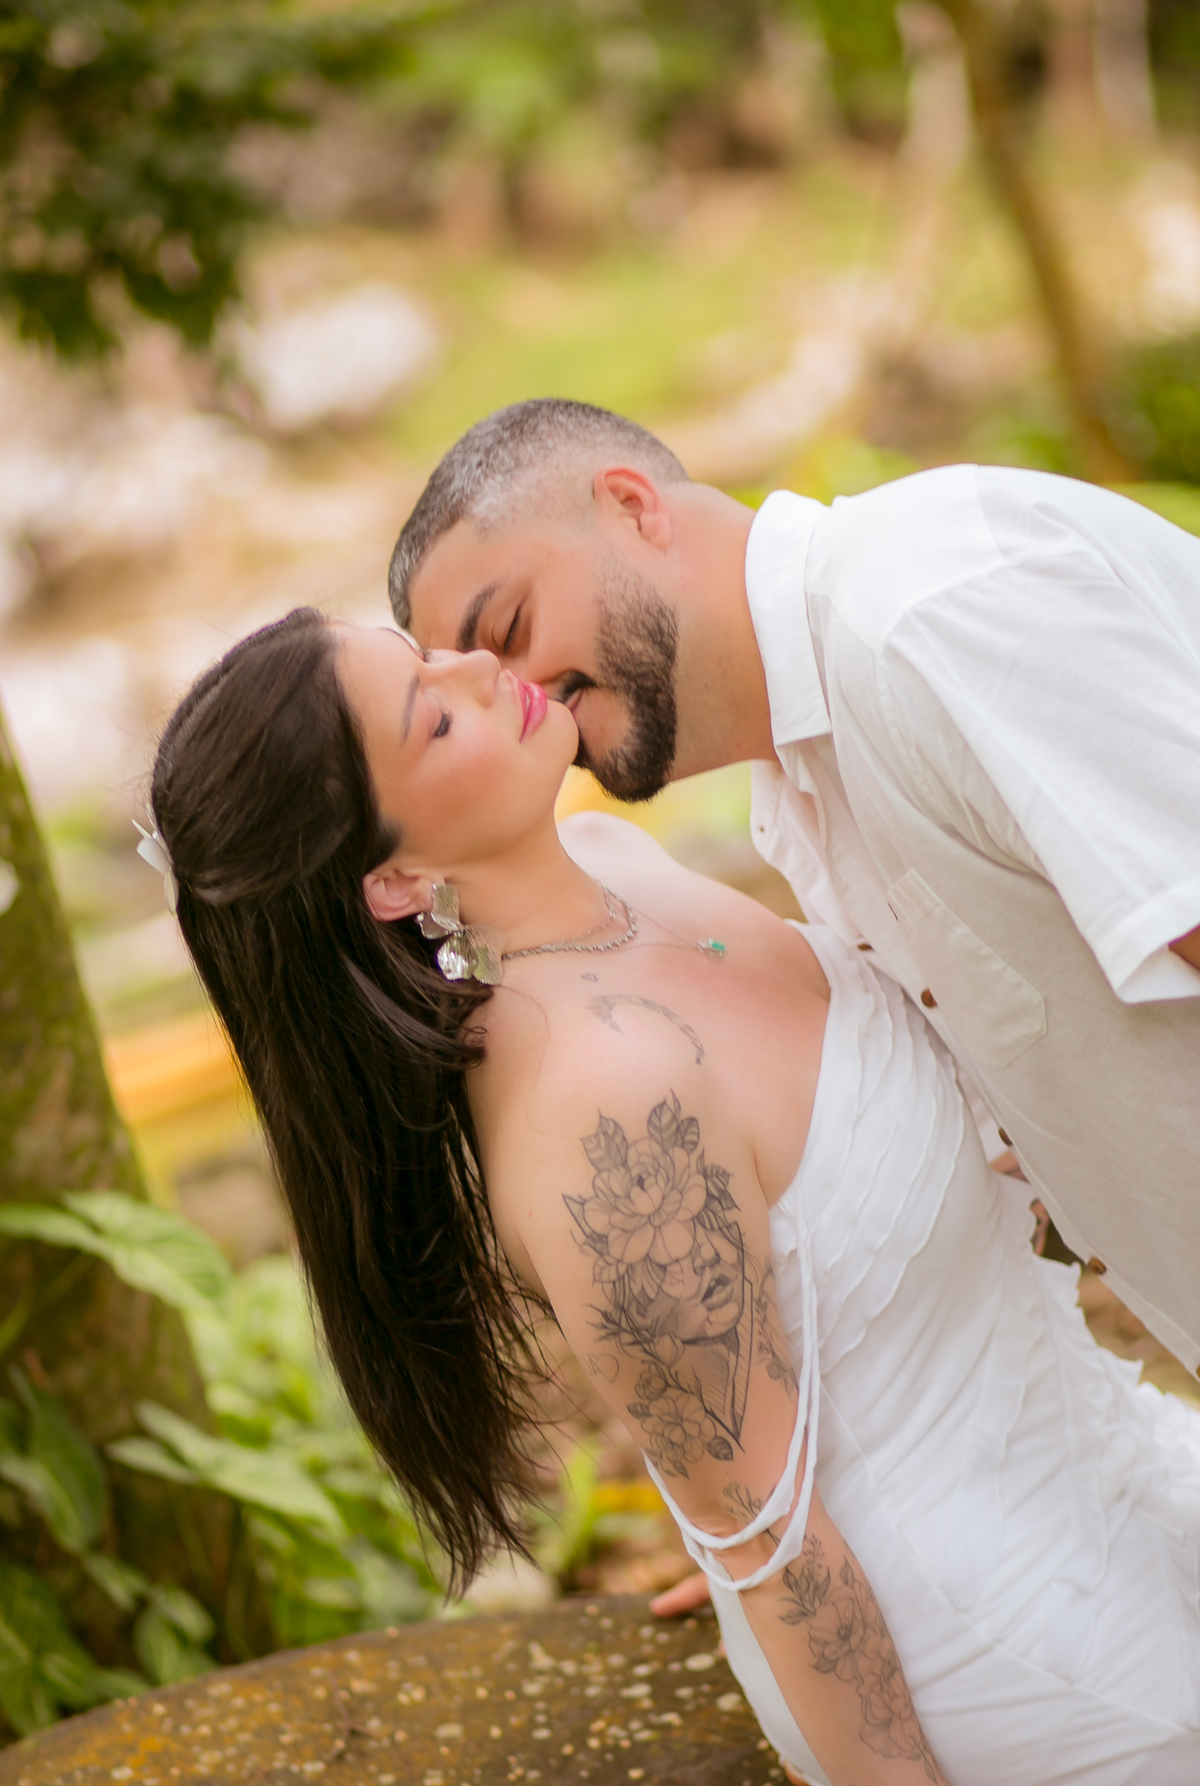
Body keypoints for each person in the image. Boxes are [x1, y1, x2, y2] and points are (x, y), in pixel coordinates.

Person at [146, 606, 1200, 1786]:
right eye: (433, 713)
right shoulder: (603, 1103)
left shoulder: (613, 870)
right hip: (1015, 1639)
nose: (481, 671)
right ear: (394, 876)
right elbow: (772, 1536)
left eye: (428, 652)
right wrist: (755, 1525)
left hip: (1096, 1460)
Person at [388, 398, 1200, 1382]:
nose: (525, 700)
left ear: (635, 507)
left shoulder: (922, 617)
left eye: (511, 628)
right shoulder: (801, 787)